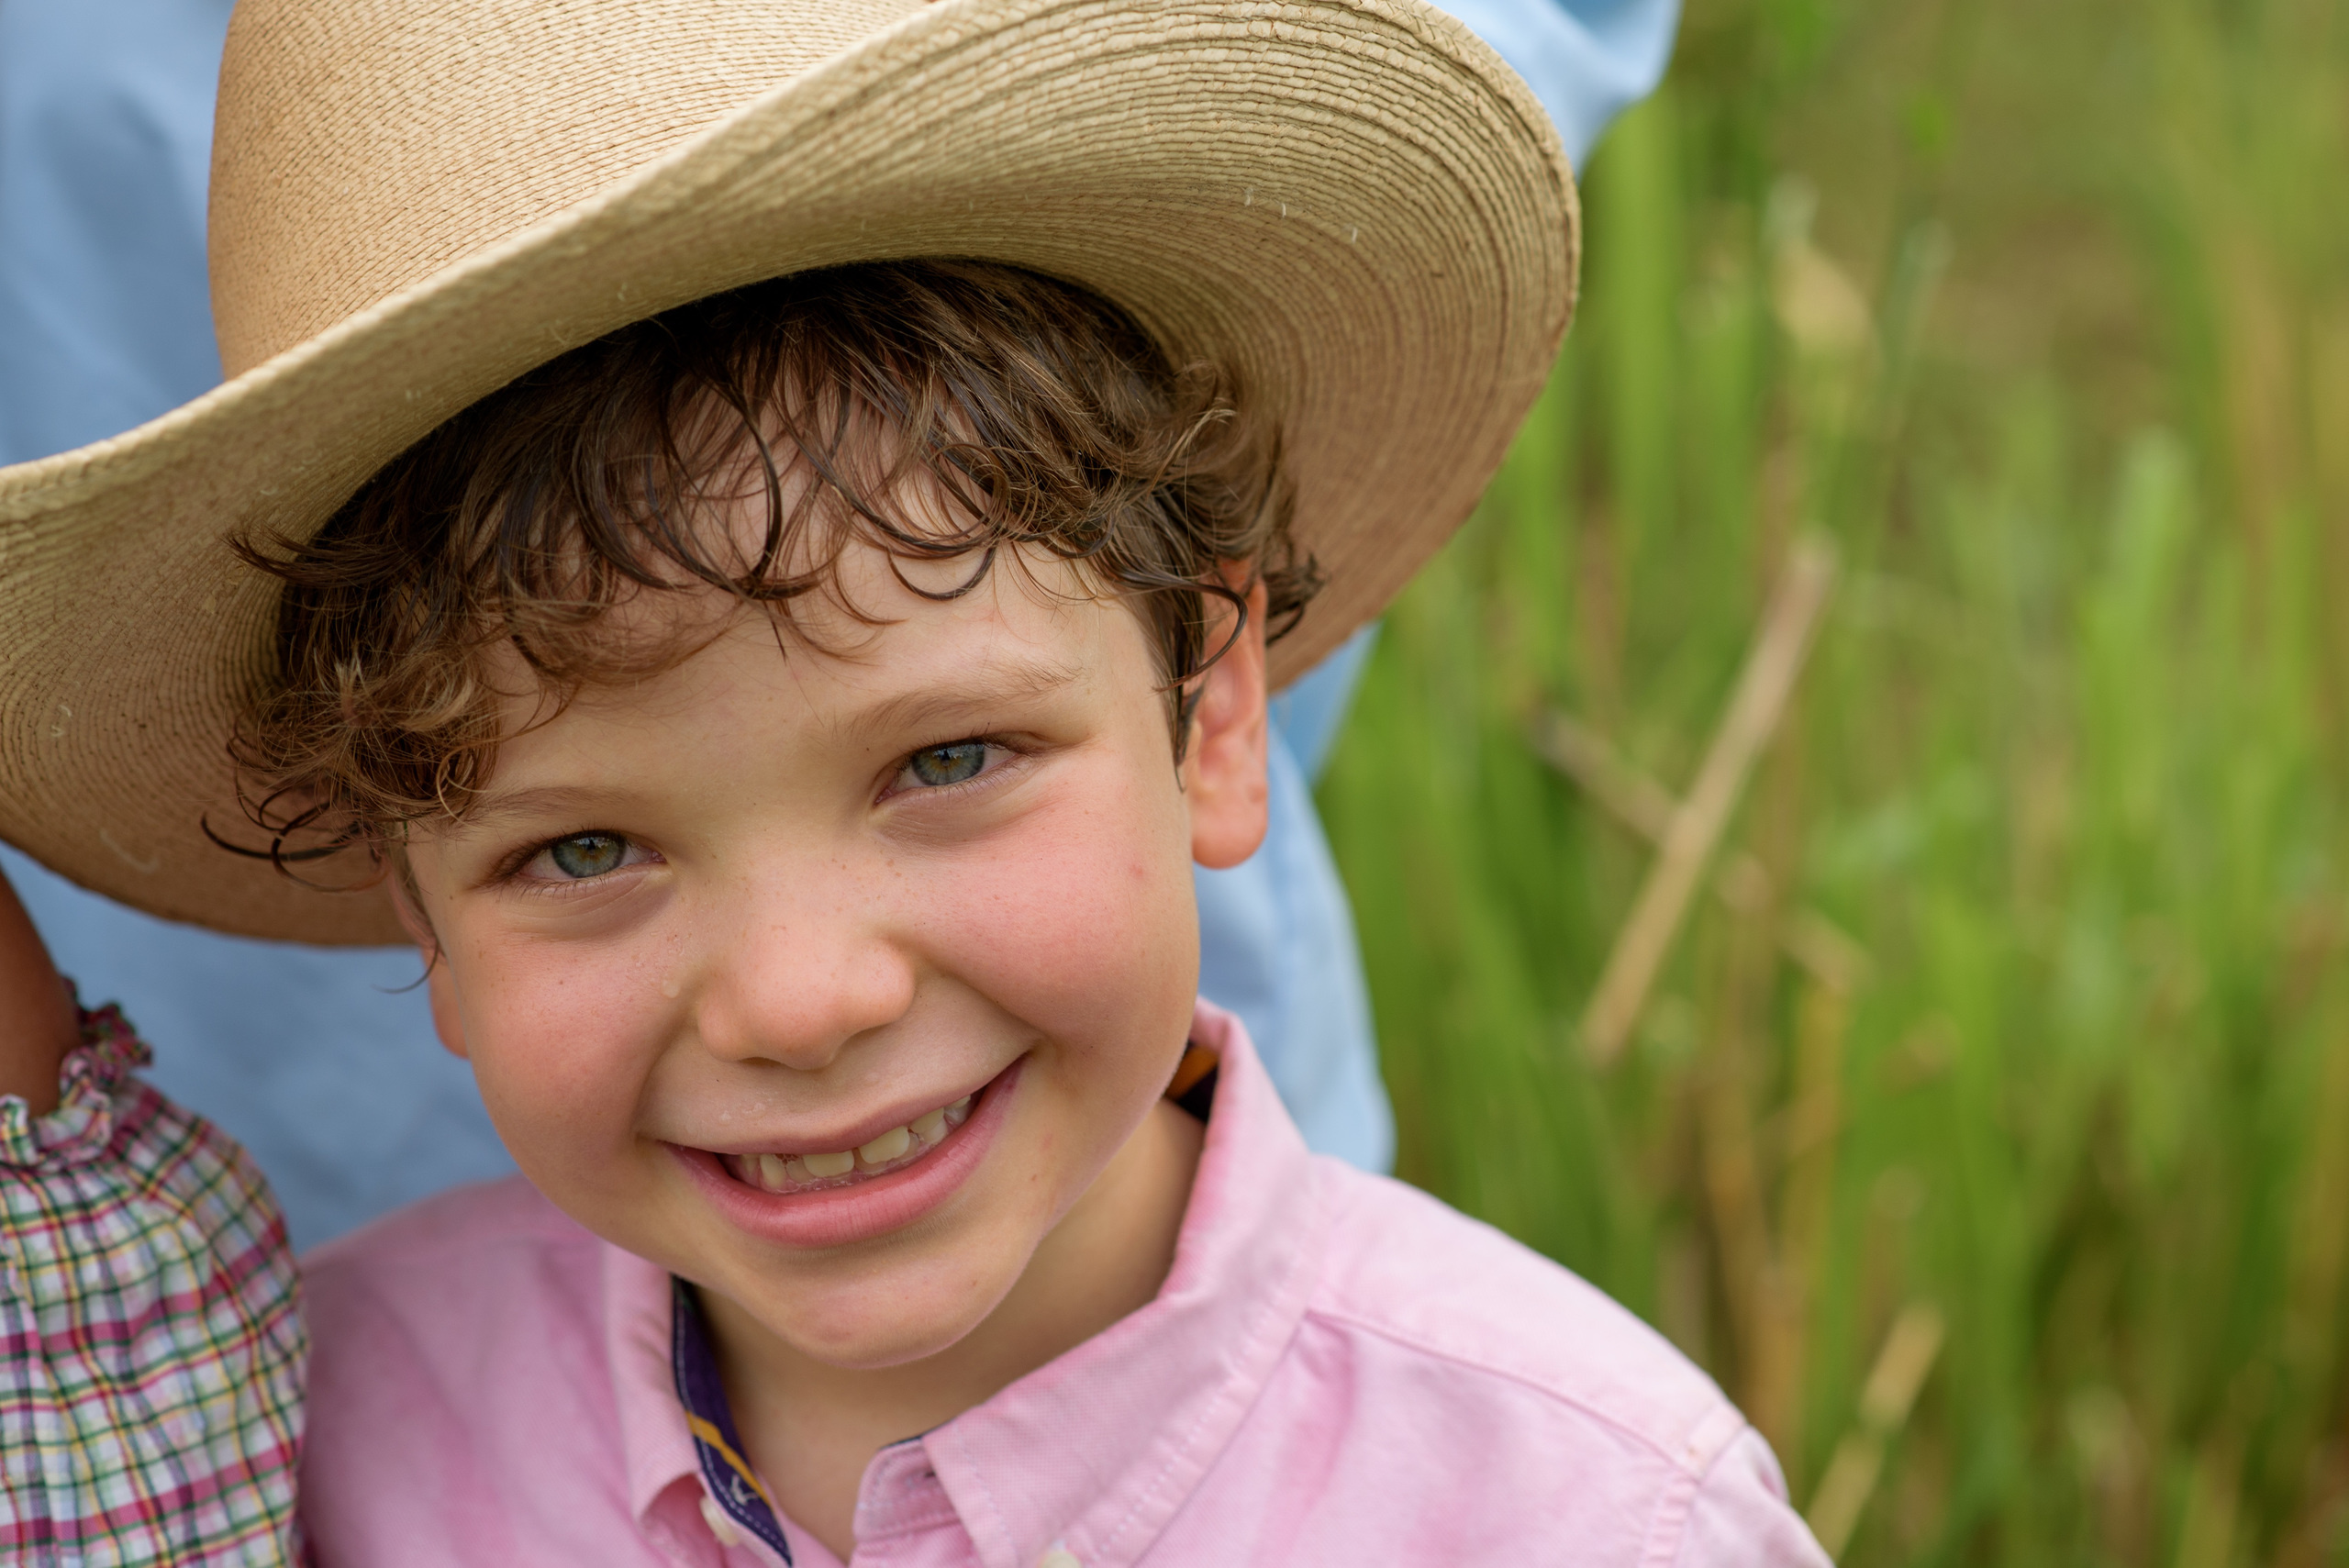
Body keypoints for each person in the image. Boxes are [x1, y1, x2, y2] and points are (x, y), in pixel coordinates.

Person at [0, 1, 1828, 1562]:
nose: (801, 1001)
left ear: (1206, 710)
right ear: (420, 917)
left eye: (945, 759)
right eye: (577, 850)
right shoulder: (343, 1449)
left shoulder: (1579, 1510)